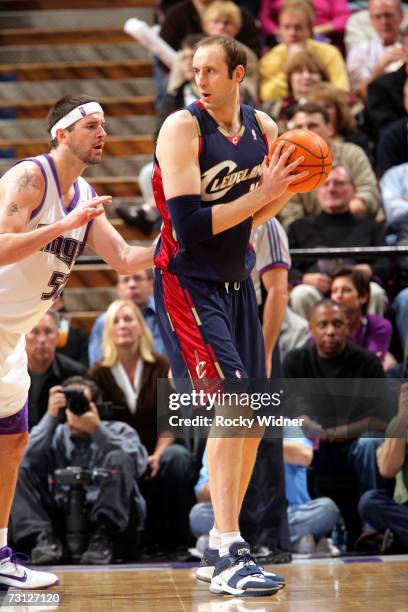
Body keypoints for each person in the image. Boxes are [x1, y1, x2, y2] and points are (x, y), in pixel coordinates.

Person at [152, 34, 307, 597]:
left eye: (212, 70)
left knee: (256, 414)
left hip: (238, 281)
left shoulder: (263, 128)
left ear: (239, 75)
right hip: (187, 282)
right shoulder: (183, 129)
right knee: (234, 405)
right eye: (196, 69)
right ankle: (227, 545)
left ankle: (223, 544)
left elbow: (259, 212)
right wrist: (258, 193)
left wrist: (285, 187)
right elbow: (191, 227)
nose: (201, 79)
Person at [0, 94, 153, 589]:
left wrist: (180, 247)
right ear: (61, 133)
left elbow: (126, 258)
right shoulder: (30, 178)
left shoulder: (84, 190)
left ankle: (1, 554)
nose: (102, 132)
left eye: (104, 124)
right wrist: (65, 226)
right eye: (90, 124)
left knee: (13, 440)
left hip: (12, 335)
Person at [89, 299, 194, 553]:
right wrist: (134, 456)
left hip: (159, 447)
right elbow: (100, 425)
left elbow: (171, 417)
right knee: (116, 460)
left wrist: (157, 455)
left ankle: (179, 542)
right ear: (108, 331)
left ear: (141, 327)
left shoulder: (161, 366)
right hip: (120, 451)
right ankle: (122, 542)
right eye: (116, 320)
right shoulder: (97, 373)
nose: (123, 325)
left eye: (129, 319)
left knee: (177, 457)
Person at [9, 376, 148, 565]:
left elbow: (139, 464)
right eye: (70, 403)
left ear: (95, 406)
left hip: (111, 523)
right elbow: (21, 459)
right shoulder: (53, 434)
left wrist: (98, 430)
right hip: (58, 519)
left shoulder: (120, 431)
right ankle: (42, 540)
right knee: (17, 470)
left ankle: (103, 537)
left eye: (82, 402)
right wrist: (50, 417)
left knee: (119, 457)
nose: (76, 408)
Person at [282, 300, 390, 542]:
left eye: (337, 324)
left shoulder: (367, 362)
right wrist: (303, 419)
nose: (330, 330)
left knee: (370, 444)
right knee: (289, 441)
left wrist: (334, 432)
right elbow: (290, 406)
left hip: (354, 444)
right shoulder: (295, 361)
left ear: (348, 327)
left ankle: (371, 527)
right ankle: (304, 529)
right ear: (310, 328)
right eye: (323, 324)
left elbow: (382, 421)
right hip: (312, 445)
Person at [287, 164, 389, 320]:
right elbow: (285, 267)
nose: (332, 189)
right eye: (325, 184)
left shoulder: (370, 226)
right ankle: (309, 344)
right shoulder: (299, 227)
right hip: (314, 291)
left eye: (339, 183)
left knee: (374, 291)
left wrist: (368, 270)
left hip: (356, 290)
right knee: (301, 293)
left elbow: (387, 265)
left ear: (353, 190)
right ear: (317, 191)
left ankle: (370, 341)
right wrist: (304, 278)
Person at [278, 103, 381, 230]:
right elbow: (290, 215)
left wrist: (335, 217)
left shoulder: (353, 153)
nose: (305, 131)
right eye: (299, 127)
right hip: (310, 236)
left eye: (312, 125)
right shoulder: (288, 164)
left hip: (353, 226)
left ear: (329, 128)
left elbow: (369, 194)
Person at [259, 0, 349, 102]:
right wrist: (288, 67)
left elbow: (342, 92)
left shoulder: (330, 53)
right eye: (287, 27)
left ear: (310, 30)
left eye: (298, 28)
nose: (292, 33)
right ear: (280, 29)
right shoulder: (270, 59)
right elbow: (266, 96)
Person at [358, 381, 408, 552]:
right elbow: (387, 469)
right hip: (404, 508)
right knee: (370, 502)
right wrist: (403, 417)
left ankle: (399, 537)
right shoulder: (399, 423)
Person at [88, 269, 164, 365]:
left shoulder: (166, 316)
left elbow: (177, 365)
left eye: (138, 278)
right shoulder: (104, 321)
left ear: (151, 285)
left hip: (163, 377)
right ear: (118, 289)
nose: (132, 285)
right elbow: (97, 365)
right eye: (126, 280)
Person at [26, 310, 87, 429]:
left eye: (48, 332)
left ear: (58, 337)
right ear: (23, 337)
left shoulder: (76, 373)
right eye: (34, 332)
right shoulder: (7, 374)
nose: (42, 340)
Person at [330, 267, 393, 366]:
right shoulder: (324, 327)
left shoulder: (380, 326)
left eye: (346, 290)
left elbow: (372, 366)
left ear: (363, 297)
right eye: (334, 291)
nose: (338, 295)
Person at [347, 0, 405, 99]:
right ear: (371, 19)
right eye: (377, 17)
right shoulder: (359, 52)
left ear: (401, 16)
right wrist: (381, 66)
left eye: (388, 15)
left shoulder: (406, 45)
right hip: (378, 109)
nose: (384, 22)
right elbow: (362, 95)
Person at [259, 0, 350, 46]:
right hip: (281, 40)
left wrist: (316, 30)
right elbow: (264, 18)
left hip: (323, 38)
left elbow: (343, 17)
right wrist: (283, 31)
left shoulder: (330, 55)